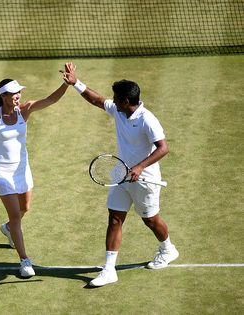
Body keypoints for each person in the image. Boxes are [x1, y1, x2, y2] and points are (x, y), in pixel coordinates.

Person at [63, 62, 179, 287]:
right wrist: (75, 82)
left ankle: (168, 249)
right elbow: (96, 99)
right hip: (120, 173)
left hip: (144, 180)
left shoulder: (148, 119)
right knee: (115, 217)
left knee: (151, 220)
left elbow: (163, 148)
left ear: (127, 101)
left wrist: (140, 167)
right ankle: (109, 269)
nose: (112, 100)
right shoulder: (118, 109)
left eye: (116, 98)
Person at [0, 74, 69, 277]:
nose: (18, 96)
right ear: (3, 96)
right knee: (16, 216)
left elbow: (50, 100)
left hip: (22, 169)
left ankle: (8, 228)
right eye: (14, 93)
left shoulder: (25, 110)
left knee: (24, 208)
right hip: (2, 172)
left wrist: (66, 84)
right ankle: (25, 261)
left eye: (19, 92)